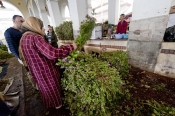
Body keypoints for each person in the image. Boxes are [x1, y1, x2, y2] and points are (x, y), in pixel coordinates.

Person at [19, 16, 77, 109]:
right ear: (36, 26)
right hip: (45, 70)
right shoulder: (35, 37)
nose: (44, 28)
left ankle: (51, 105)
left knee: (45, 88)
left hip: (37, 70)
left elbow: (42, 52)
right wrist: (71, 47)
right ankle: (58, 107)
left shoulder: (24, 38)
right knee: (52, 87)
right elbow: (52, 54)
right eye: (42, 26)